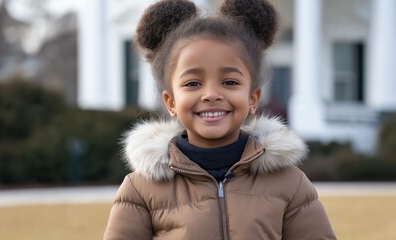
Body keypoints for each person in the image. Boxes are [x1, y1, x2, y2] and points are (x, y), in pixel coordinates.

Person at [103, 0, 336, 239]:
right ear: (171, 102)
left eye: (230, 82)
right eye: (193, 83)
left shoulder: (289, 183)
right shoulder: (141, 189)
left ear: (253, 98)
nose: (212, 94)